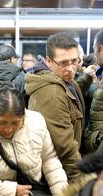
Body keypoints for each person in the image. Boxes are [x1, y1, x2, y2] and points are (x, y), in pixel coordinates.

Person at [25, 32, 84, 183]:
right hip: (58, 177)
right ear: (49, 62)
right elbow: (64, 147)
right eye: (64, 63)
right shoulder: (51, 93)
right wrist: (79, 182)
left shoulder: (66, 82)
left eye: (74, 61)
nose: (71, 68)